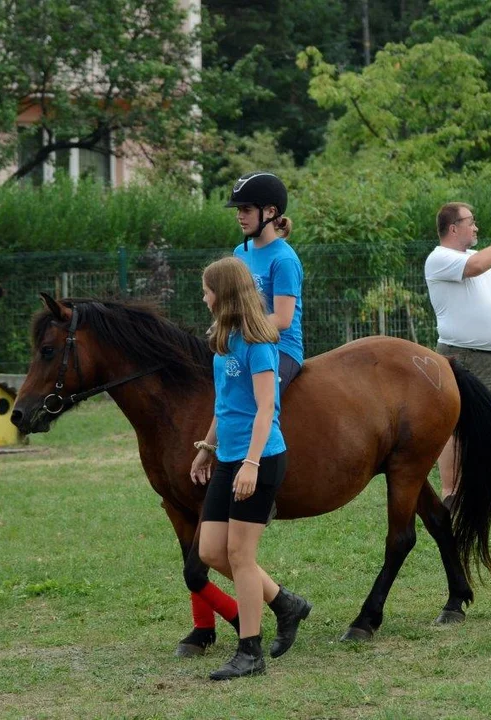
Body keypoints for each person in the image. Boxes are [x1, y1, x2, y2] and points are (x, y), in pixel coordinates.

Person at [189, 257, 311, 680]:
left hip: (260, 459)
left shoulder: (259, 343)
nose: (202, 297)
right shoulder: (224, 339)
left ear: (222, 294)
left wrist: (252, 464)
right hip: (227, 458)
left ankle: (250, 652)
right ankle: (285, 603)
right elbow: (226, 405)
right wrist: (208, 446)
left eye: (206, 290)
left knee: (240, 555)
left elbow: (266, 411)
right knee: (210, 551)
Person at [424, 202, 491, 505]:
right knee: (456, 425)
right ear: (453, 228)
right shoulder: (440, 258)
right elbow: (478, 267)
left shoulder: (472, 257)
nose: (476, 227)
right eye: (471, 222)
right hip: (462, 355)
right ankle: (451, 492)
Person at [226, 171, 304, 390]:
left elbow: (282, 319)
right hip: (245, 343)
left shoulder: (284, 259)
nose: (240, 216)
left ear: (270, 211)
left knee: (252, 397)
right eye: (238, 210)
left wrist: (241, 329)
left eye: (246, 209)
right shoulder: (240, 252)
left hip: (281, 349)